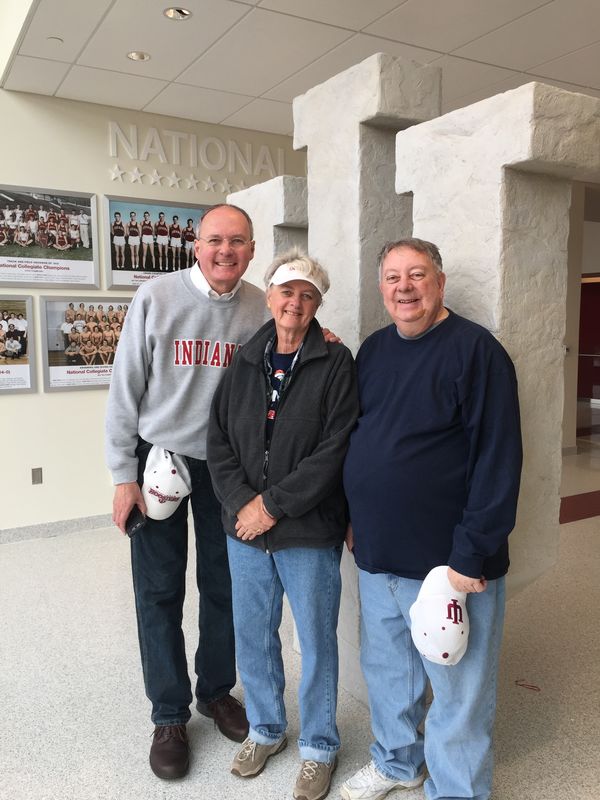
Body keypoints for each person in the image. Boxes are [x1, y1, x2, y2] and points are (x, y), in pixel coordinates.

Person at [340, 238, 523, 800]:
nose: (405, 287)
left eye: (417, 275)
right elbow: (361, 437)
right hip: (378, 552)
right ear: (381, 288)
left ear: (440, 284)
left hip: (450, 565)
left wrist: (471, 555)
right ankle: (398, 763)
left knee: (459, 689)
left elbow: (498, 459)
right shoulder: (374, 350)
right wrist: (354, 517)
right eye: (393, 277)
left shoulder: (477, 352)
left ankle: (458, 791)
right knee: (389, 672)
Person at [105, 205, 272, 780]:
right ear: (196, 246)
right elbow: (124, 390)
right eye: (215, 240)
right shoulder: (155, 298)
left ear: (252, 250)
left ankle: (216, 691)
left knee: (225, 586)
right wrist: (122, 476)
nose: (226, 251)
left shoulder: (260, 307)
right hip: (160, 461)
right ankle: (169, 714)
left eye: (238, 241)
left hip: (228, 469)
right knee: (158, 590)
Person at [207, 249, 358, 800]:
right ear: (269, 296)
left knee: (315, 641)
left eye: (307, 294)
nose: (295, 302)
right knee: (253, 635)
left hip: (306, 528)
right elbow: (218, 440)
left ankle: (319, 746)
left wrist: (271, 506)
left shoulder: (336, 362)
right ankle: (267, 728)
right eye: (287, 291)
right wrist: (243, 504)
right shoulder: (245, 359)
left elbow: (335, 449)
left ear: (318, 304)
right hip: (245, 530)